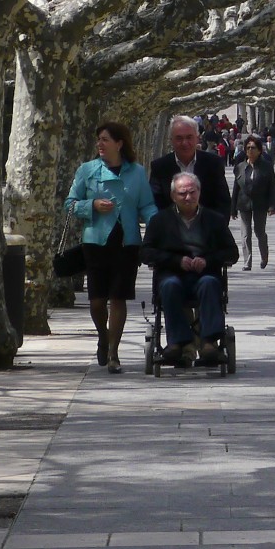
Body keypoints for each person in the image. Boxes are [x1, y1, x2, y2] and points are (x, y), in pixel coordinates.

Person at [63, 122, 156, 373]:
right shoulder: (87, 170)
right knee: (97, 301)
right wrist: (91, 205)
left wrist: (157, 224)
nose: (100, 144)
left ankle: (114, 352)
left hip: (127, 243)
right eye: (98, 140)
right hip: (95, 243)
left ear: (119, 143)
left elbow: (147, 205)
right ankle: (103, 336)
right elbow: (70, 204)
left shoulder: (137, 172)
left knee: (118, 297)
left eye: (105, 139)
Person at [146, 170, 239, 365]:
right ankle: (177, 343)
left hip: (204, 274)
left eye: (192, 192)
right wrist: (176, 260)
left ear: (199, 192)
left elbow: (231, 252)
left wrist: (207, 260)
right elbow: (146, 252)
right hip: (173, 274)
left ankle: (208, 343)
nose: (188, 197)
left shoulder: (214, 219)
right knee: (170, 285)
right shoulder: (160, 220)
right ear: (173, 195)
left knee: (209, 283)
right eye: (182, 193)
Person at [148, 115, 230, 214]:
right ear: (171, 140)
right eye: (179, 138)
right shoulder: (160, 167)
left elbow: (223, 203)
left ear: (197, 138)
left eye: (189, 137)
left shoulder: (213, 163)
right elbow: (155, 203)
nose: (184, 143)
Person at [232, 136, 275, 271]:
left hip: (260, 204)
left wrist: (273, 206)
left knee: (259, 232)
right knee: (245, 233)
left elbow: (272, 187)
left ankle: (264, 256)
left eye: (253, 148)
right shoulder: (240, 167)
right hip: (243, 204)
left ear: (259, 150)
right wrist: (232, 208)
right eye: (248, 148)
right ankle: (247, 261)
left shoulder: (266, 167)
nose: (250, 150)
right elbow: (236, 189)